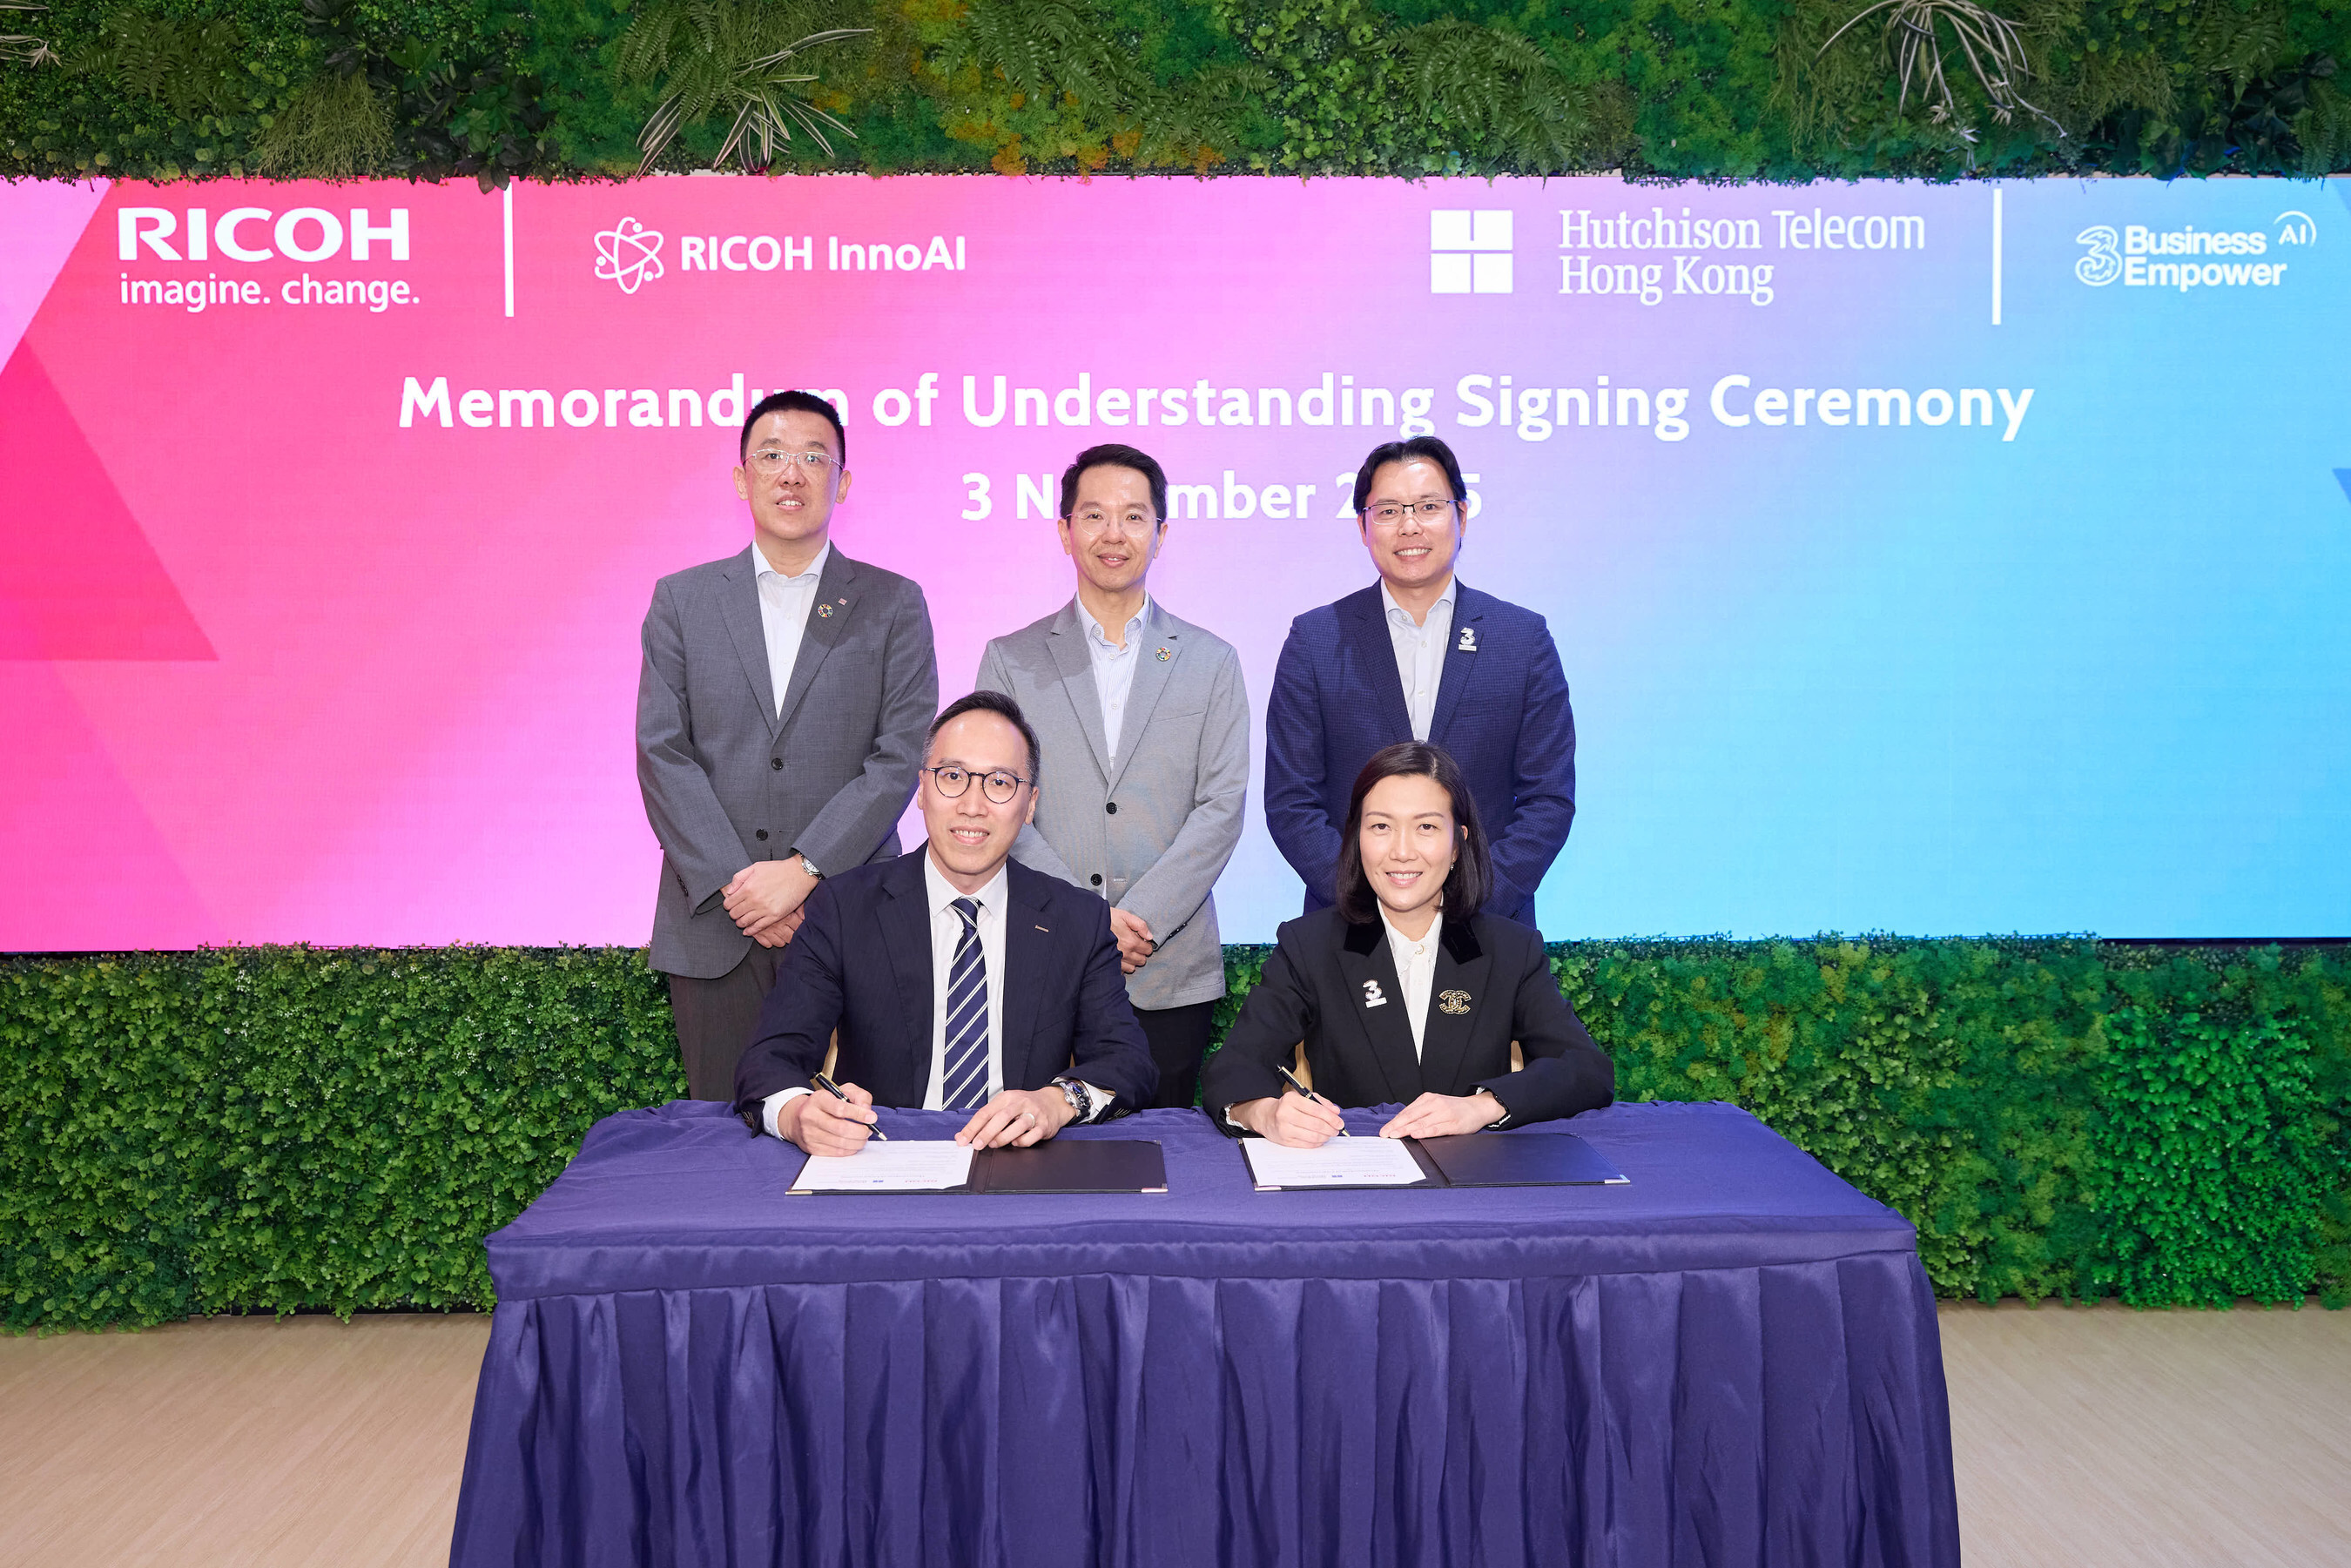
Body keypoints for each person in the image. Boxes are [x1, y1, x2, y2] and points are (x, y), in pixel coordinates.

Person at [637, 389, 938, 1101]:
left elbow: (900, 756)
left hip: (851, 913)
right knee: (725, 1133)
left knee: (859, 1135)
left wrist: (804, 870)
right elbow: (662, 752)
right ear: (742, 479)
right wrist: (740, 885)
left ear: (844, 482)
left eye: (813, 457)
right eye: (771, 455)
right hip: (717, 923)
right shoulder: (682, 600)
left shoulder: (894, 603)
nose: (792, 473)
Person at [734, 690, 1159, 1154]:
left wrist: (1057, 1102)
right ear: (921, 789)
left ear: (1030, 804)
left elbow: (1127, 1063)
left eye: (1000, 782)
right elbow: (770, 1058)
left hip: (1022, 1163)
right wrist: (798, 1116)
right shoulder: (845, 907)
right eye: (952, 776)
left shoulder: (1077, 918)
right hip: (882, 1157)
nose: (972, 805)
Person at [975, 443, 1250, 1110]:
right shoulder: (1010, 660)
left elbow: (1221, 807)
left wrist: (1142, 919)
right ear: (1064, 530)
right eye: (1094, 515)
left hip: (1168, 967)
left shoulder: (1212, 660)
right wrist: (1087, 920)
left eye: (1133, 516)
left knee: (1161, 1148)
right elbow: (996, 798)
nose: (1113, 533)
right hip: (1040, 956)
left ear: (1161, 532)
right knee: (1032, 1144)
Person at [1202, 741, 1612, 1147]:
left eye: (1426, 828)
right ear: (1356, 838)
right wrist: (1264, 1113)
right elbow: (1235, 1065)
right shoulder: (1309, 945)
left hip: (1475, 1175)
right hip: (1356, 1173)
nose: (1401, 851)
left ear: (1458, 843)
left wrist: (1483, 1106)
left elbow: (1585, 1068)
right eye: (1381, 827)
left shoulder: (1510, 949)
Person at [1262, 435, 1575, 930]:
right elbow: (1291, 800)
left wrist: (1470, 904)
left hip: (1487, 932)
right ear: (1363, 527)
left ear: (1462, 517)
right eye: (1388, 511)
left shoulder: (1522, 639)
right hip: (1353, 931)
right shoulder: (1315, 640)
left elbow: (1548, 799)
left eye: (1429, 507)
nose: (1409, 525)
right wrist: (1371, 903)